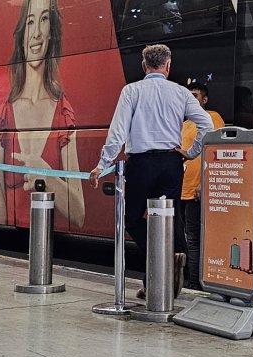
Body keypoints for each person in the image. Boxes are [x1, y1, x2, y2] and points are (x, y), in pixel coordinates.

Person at [90, 44, 214, 297]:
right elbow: (207, 124)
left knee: (133, 218)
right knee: (167, 219)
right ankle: (161, 273)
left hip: (141, 164)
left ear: (144, 66)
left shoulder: (132, 91)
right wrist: (191, 153)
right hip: (171, 164)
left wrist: (102, 163)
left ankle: (160, 261)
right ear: (168, 66)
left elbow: (118, 132)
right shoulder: (180, 92)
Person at [0, 0, 84, 228]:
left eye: (44, 20)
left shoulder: (63, 112)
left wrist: (48, 176)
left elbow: (79, 213)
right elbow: (2, 218)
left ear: (52, 31)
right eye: (30, 21)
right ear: (22, 33)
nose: (37, 33)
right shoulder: (4, 114)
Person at [179, 82, 224, 290]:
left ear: (204, 100)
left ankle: (195, 285)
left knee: (195, 240)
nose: (191, 99)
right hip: (181, 189)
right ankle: (187, 281)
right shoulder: (185, 123)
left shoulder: (213, 118)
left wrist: (202, 183)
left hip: (196, 192)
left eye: (195, 96)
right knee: (185, 239)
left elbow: (216, 154)